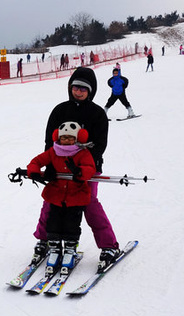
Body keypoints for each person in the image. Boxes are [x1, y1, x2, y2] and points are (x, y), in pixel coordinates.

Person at [31, 67, 120, 273]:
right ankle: (44, 240)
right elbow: (49, 140)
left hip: (86, 171)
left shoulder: (97, 114)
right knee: (51, 203)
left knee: (89, 204)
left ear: (91, 91)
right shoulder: (60, 110)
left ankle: (108, 246)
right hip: (59, 170)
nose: (78, 91)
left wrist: (84, 169)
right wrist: (51, 165)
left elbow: (100, 145)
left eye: (83, 88)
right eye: (75, 87)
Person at [26, 122, 96, 269]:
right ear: (58, 137)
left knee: (72, 223)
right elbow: (36, 161)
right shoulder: (53, 151)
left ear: (77, 138)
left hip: (76, 196)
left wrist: (79, 172)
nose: (67, 141)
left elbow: (90, 168)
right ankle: (55, 247)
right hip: (56, 195)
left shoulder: (82, 152)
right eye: (64, 137)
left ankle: (70, 248)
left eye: (71, 138)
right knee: (53, 222)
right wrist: (34, 171)